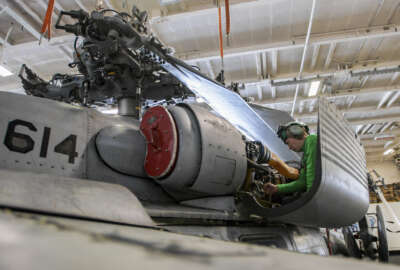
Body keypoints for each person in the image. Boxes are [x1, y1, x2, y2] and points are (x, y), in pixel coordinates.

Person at [263, 121, 317, 195]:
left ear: (296, 133)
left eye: (288, 142)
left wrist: (313, 201)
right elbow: (303, 182)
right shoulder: (305, 155)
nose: (289, 147)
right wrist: (277, 188)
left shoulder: (312, 140)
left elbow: (312, 178)